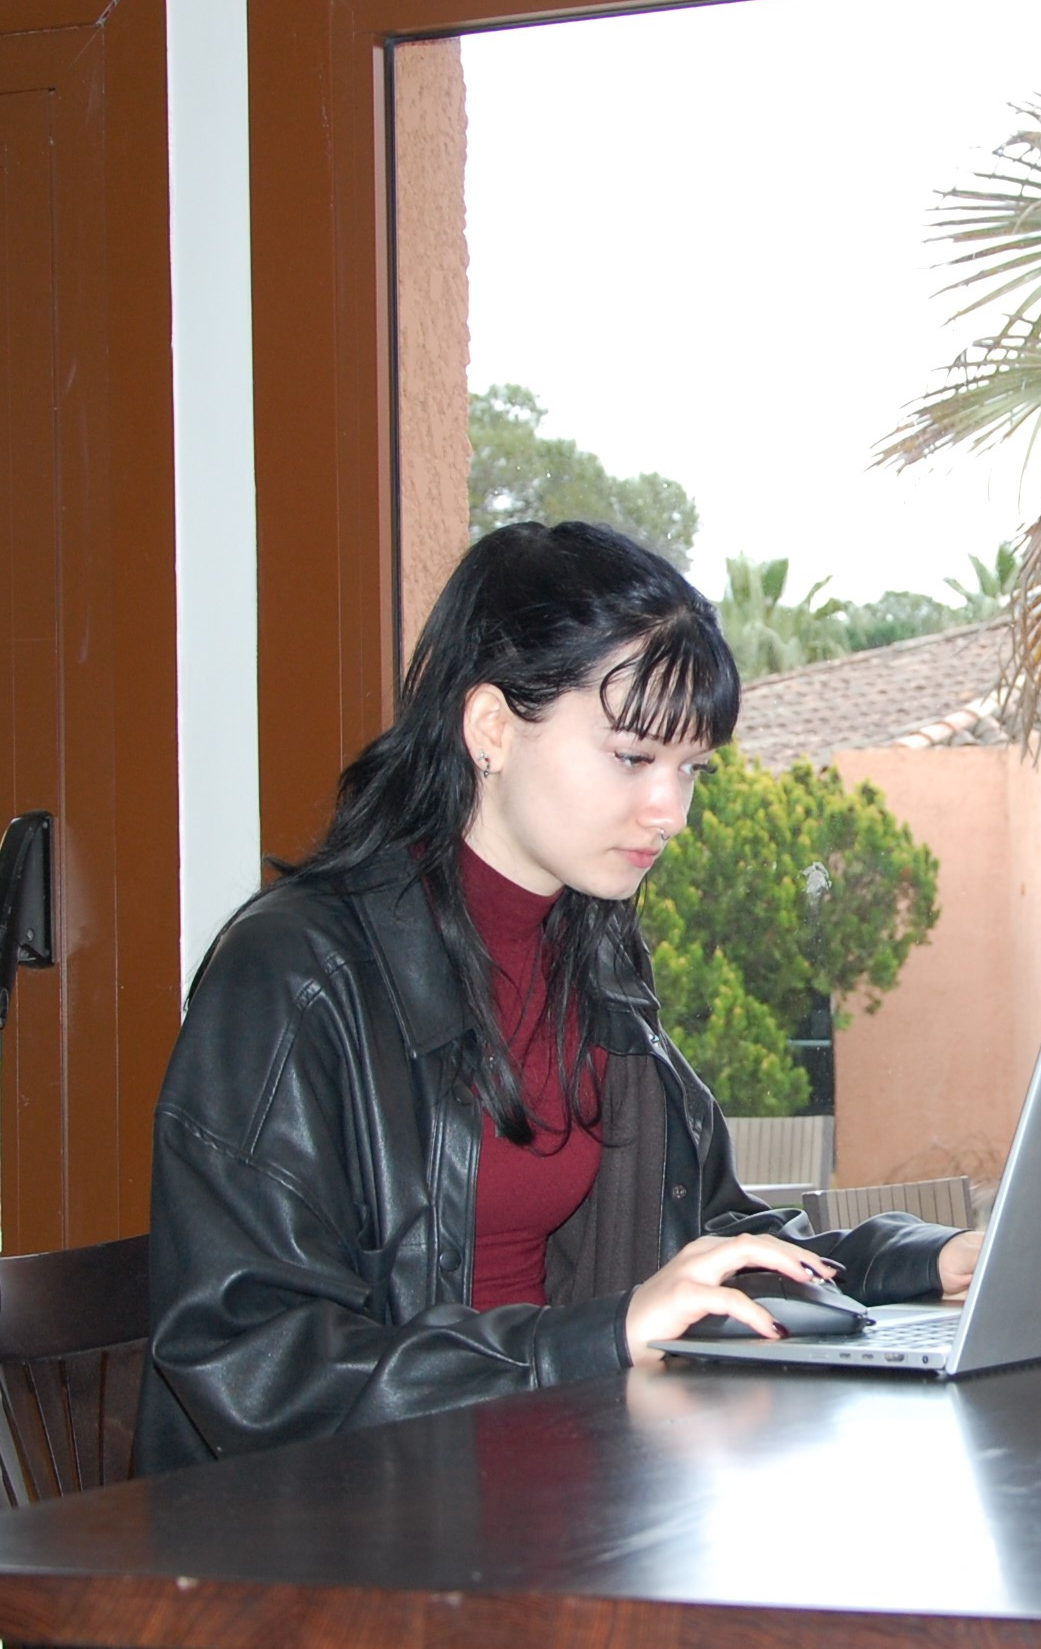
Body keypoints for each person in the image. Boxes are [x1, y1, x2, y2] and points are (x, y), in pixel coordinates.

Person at [136, 521, 982, 1472]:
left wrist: (916, 1262)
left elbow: (704, 1236)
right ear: (491, 728)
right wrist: (598, 1337)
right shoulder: (297, 975)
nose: (670, 811)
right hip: (360, 1520)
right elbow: (253, 1365)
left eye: (691, 769)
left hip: (563, 1474)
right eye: (632, 756)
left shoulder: (594, 956)